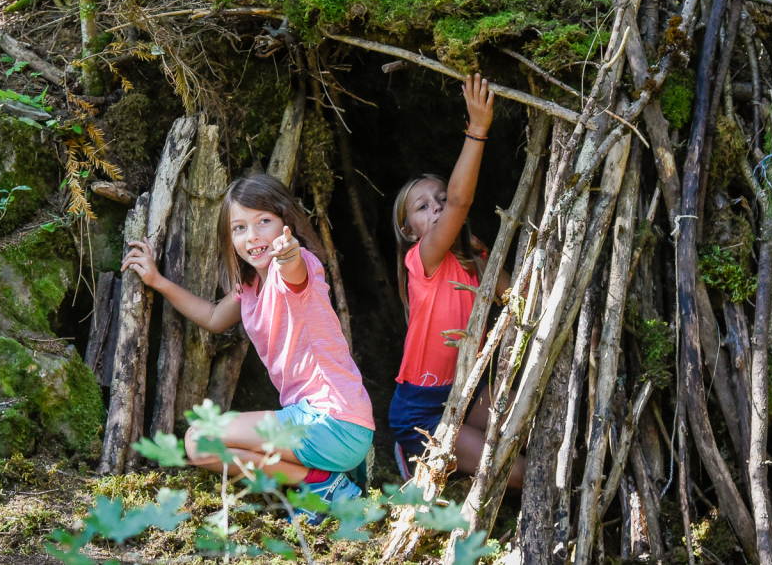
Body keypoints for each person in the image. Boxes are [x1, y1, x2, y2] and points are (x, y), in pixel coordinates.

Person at [121, 172, 373, 510]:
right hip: (320, 425)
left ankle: (326, 484)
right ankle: (325, 482)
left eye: (263, 221)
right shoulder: (251, 287)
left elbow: (294, 272)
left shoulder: (301, 269)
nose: (252, 236)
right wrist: (157, 281)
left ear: (286, 221)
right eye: (239, 228)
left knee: (201, 439)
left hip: (333, 420)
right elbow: (212, 318)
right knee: (203, 445)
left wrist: (289, 255)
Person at [388, 74, 523, 488]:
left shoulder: (473, 256)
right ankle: (415, 452)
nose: (437, 208)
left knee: (529, 431)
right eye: (422, 206)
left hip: (465, 391)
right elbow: (463, 201)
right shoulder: (422, 259)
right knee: (514, 472)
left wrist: (481, 254)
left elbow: (514, 297)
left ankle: (455, 462)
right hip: (422, 409)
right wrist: (477, 129)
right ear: (410, 230)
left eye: (441, 201)